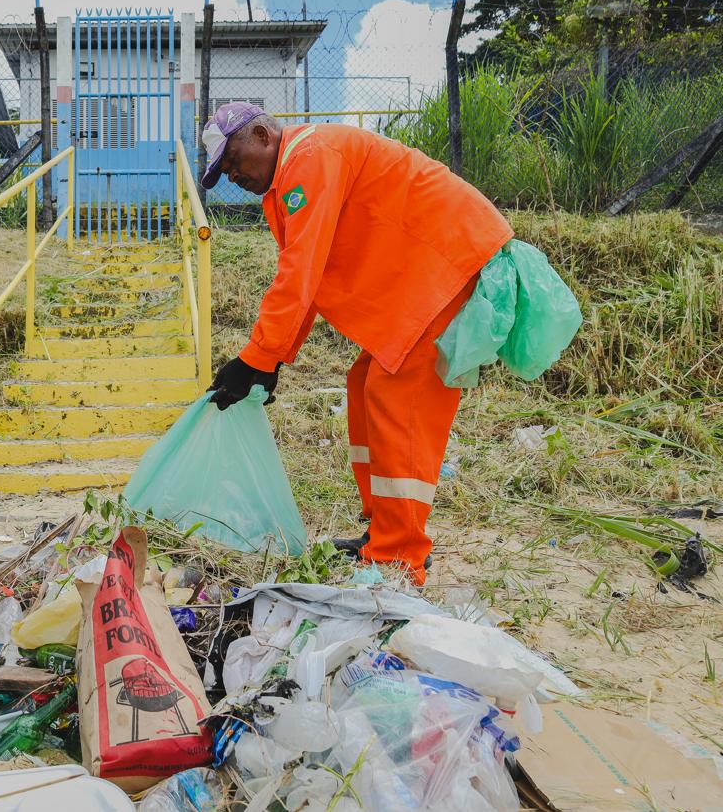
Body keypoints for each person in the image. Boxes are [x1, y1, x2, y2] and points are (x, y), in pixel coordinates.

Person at [199, 102, 516, 585]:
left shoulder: (309, 157)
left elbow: (299, 272)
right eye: (223, 171)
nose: (233, 176)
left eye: (234, 161)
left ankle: (398, 555)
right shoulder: (289, 179)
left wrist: (257, 358)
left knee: (397, 396)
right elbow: (310, 273)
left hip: (448, 261)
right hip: (425, 274)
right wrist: (271, 360)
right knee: (364, 383)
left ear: (263, 135)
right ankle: (384, 532)